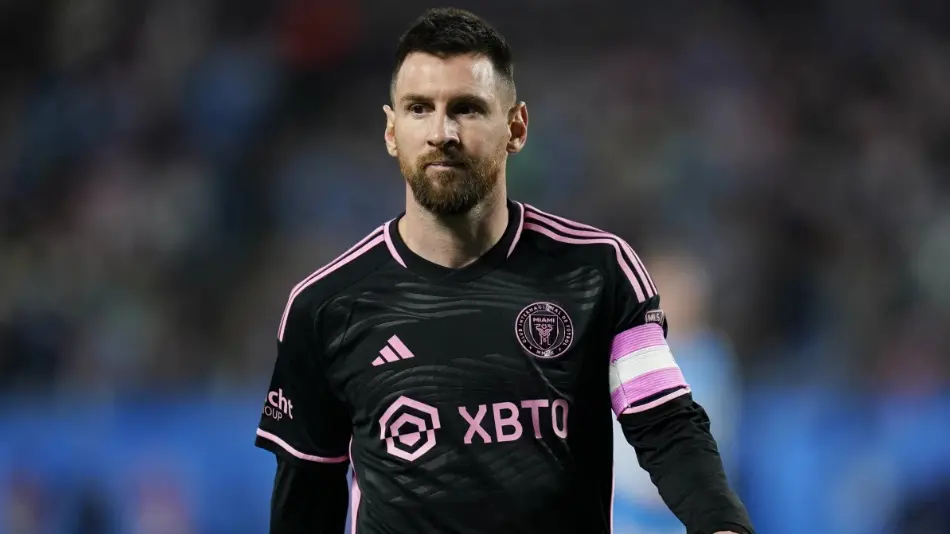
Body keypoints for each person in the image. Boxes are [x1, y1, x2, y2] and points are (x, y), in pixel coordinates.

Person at [254, 7, 754, 534]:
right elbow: (305, 497)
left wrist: (722, 524)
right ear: (391, 131)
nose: (442, 132)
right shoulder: (326, 307)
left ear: (516, 127)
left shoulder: (598, 273)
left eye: (467, 109)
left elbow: (666, 424)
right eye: (419, 108)